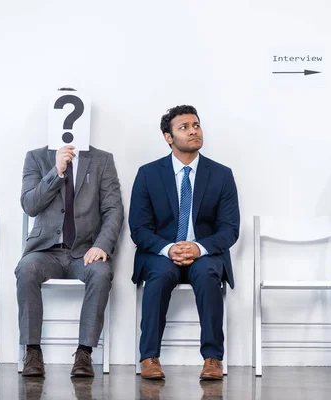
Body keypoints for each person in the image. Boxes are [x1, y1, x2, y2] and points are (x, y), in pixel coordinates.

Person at [15, 89, 123, 377]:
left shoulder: (102, 160)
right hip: (45, 252)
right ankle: (32, 352)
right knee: (25, 269)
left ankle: (84, 354)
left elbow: (114, 210)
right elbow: (30, 205)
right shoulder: (36, 158)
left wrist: (102, 245)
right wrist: (56, 171)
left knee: (101, 273)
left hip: (84, 251)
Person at [129, 105, 240, 380]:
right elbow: (139, 229)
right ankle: (149, 357)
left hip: (204, 252)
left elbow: (230, 229)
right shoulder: (148, 174)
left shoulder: (221, 174)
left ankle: (213, 359)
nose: (193, 131)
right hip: (161, 252)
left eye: (196, 125)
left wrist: (198, 247)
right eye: (184, 127)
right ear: (168, 137)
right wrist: (169, 248)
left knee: (207, 274)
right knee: (160, 274)